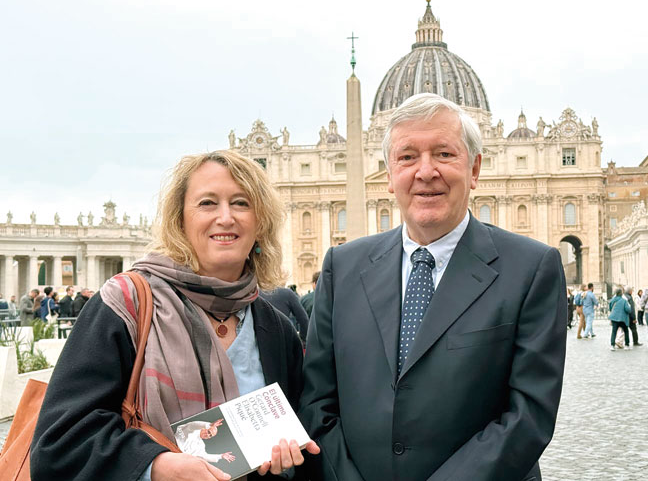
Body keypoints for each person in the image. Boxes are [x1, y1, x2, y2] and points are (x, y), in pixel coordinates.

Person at [300, 93, 567, 481]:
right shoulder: (341, 267)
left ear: (474, 169)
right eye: (407, 157)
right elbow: (317, 402)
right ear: (388, 175)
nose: (425, 172)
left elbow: (529, 416)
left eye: (444, 154)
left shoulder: (532, 268)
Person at [32, 150, 319, 480]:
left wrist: (287, 461)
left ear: (261, 222)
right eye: (207, 203)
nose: (226, 217)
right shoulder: (125, 305)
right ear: (180, 220)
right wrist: (154, 467)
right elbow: (59, 444)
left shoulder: (277, 330)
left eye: (241, 203)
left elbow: (299, 437)